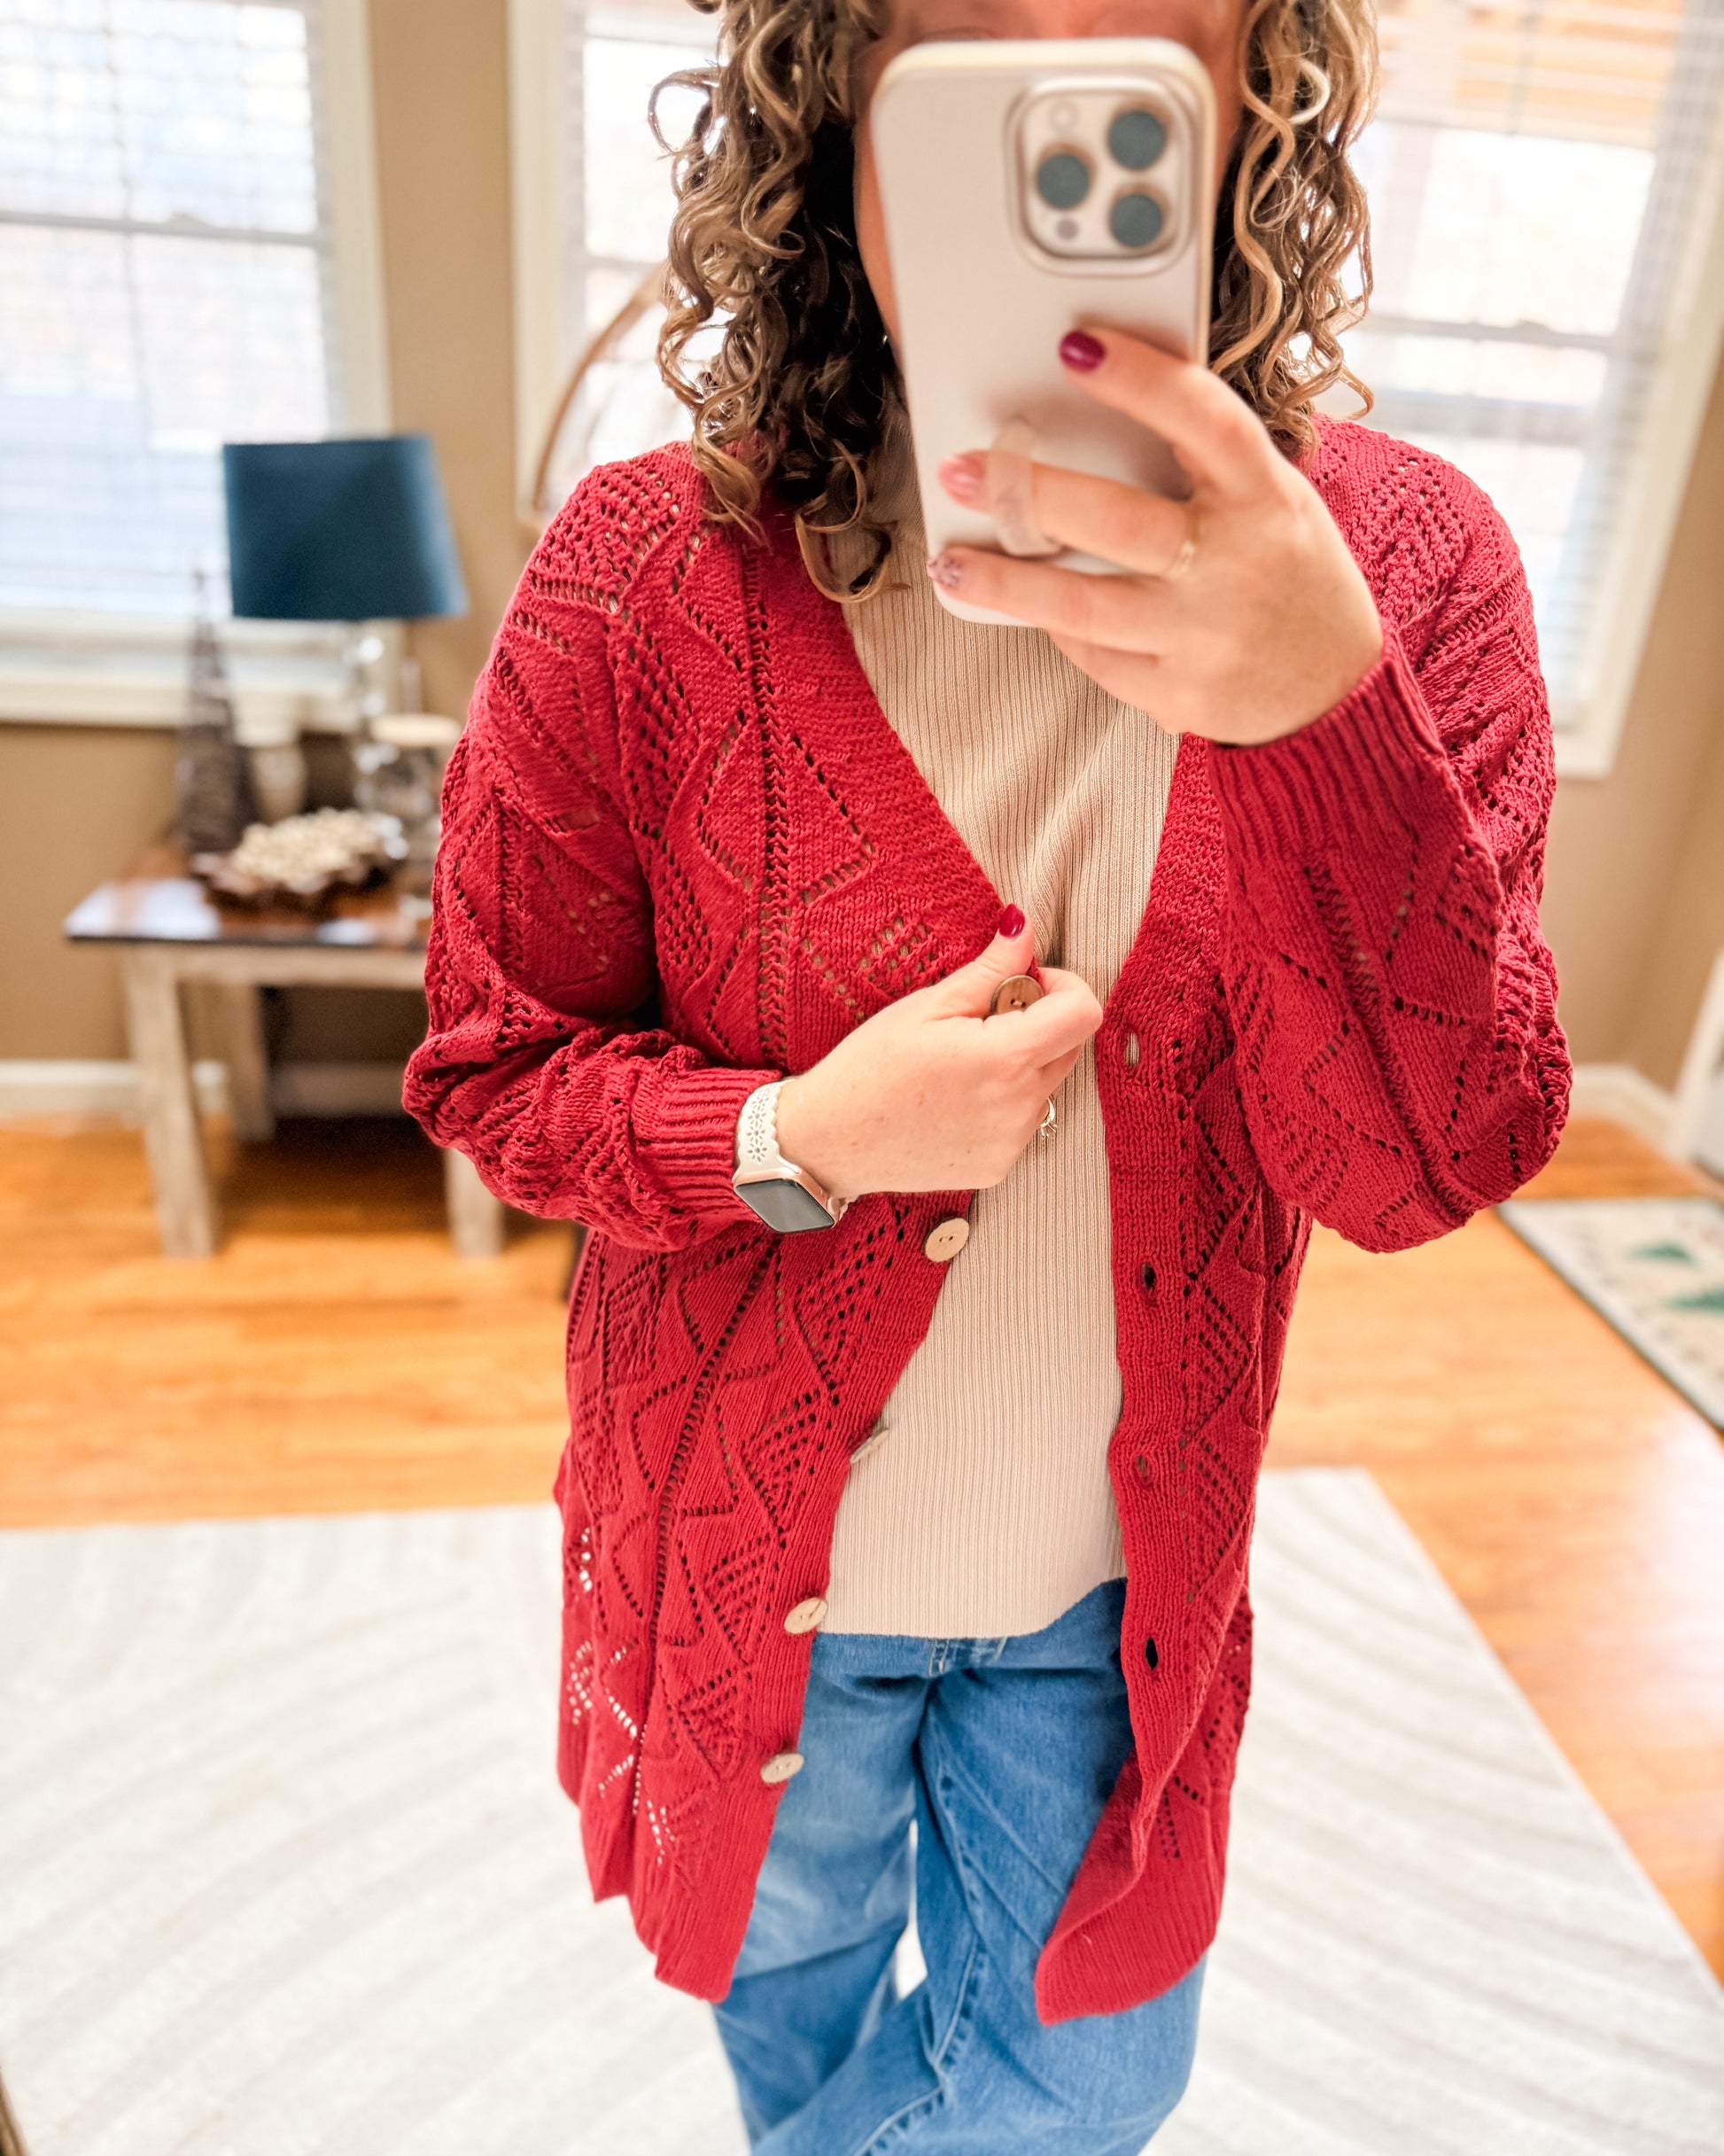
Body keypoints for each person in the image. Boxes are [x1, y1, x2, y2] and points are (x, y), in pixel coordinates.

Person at [405, 0, 1571, 2143]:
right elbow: (491, 1066)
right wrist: (795, 1137)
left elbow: (1423, 1163)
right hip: (741, 1564)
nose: (1054, 38)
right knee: (806, 2053)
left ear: (1252, 82)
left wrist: (1326, 714)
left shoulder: (1402, 579)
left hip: (1108, 1595)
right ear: (835, 90)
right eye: (965, 27)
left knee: (1083, 2089)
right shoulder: (647, 576)